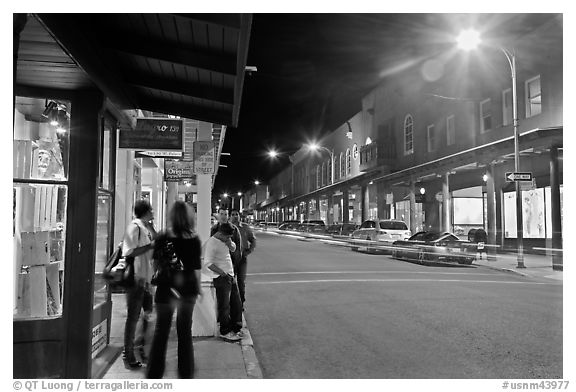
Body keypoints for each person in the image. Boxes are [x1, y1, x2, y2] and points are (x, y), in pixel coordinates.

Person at [147, 201, 202, 379]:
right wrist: (199, 288)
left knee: (161, 331)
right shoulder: (194, 239)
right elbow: (195, 268)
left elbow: (154, 263)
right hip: (187, 289)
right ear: (189, 217)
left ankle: (154, 375)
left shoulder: (162, 236)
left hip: (166, 288)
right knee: (184, 331)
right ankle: (186, 374)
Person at [122, 200, 155, 369]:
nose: (153, 212)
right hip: (136, 279)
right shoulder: (134, 227)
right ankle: (128, 354)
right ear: (145, 211)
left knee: (148, 315)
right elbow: (128, 251)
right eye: (151, 210)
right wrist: (150, 246)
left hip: (146, 280)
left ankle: (141, 348)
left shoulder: (145, 227)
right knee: (133, 318)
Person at [203, 222, 243, 341]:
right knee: (224, 306)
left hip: (230, 275)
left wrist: (229, 242)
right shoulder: (212, 243)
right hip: (222, 278)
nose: (228, 238)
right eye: (227, 236)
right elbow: (208, 263)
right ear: (220, 233)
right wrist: (222, 273)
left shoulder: (225, 240)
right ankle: (225, 331)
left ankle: (235, 328)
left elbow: (233, 248)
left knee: (236, 303)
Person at [229, 210, 256, 309]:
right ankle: (231, 304)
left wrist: (248, 251)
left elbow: (253, 240)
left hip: (242, 259)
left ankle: (241, 303)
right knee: (230, 281)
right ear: (230, 216)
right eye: (233, 215)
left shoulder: (245, 227)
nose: (235, 216)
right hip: (230, 259)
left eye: (237, 214)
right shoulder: (227, 228)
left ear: (239, 216)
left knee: (241, 282)